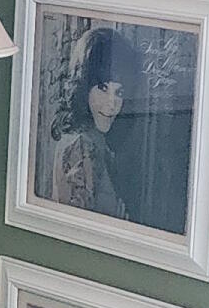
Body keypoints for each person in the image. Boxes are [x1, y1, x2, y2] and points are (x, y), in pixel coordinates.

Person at [46, 25, 141, 221]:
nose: (112, 104)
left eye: (119, 92)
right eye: (103, 88)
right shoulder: (81, 145)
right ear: (84, 86)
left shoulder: (92, 138)